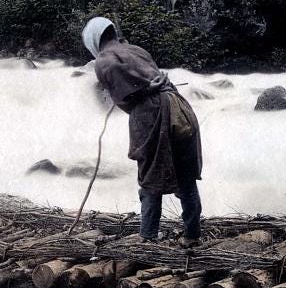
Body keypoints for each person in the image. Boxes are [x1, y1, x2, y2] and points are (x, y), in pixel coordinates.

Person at [82, 17, 203, 247]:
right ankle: (192, 236)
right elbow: (151, 81)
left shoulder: (104, 61)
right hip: (180, 107)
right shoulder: (136, 50)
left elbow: (127, 100)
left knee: (150, 177)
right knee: (186, 177)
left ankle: (148, 238)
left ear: (94, 41)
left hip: (152, 116)